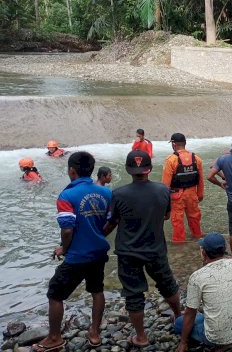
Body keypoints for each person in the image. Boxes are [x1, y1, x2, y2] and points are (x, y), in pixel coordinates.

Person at [33, 152, 111, 352]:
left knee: (55, 293)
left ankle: (54, 337)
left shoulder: (66, 195)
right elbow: (113, 220)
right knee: (97, 290)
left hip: (77, 256)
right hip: (98, 253)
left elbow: (67, 229)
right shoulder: (106, 193)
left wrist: (63, 248)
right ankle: (94, 333)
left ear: (71, 171)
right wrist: (99, 235)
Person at [105, 150, 181, 348]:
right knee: (167, 284)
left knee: (133, 294)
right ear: (150, 169)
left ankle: (141, 336)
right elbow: (166, 216)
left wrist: (96, 236)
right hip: (156, 249)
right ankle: (179, 317)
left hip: (128, 252)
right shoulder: (164, 190)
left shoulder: (118, 194)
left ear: (129, 170)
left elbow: (112, 223)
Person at [175, 233, 232, 352]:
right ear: (225, 249)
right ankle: (228, 341)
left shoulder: (197, 277)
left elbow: (190, 314)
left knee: (179, 322)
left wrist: (183, 342)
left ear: (204, 252)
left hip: (216, 338)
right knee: (201, 316)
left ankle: (222, 345)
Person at [162, 133, 204, 243]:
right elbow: (200, 179)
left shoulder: (170, 160)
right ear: (185, 143)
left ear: (173, 144)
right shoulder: (197, 159)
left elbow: (165, 185)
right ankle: (198, 238)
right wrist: (200, 194)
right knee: (195, 218)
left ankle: (179, 245)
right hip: (192, 193)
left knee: (177, 221)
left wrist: (164, 202)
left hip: (176, 196)